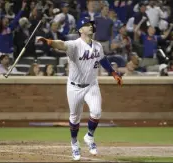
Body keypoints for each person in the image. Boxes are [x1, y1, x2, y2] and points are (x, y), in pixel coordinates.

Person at [37, 17, 122, 161]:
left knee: (96, 112)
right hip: (74, 87)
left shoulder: (97, 46)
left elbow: (102, 60)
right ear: (80, 30)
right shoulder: (74, 45)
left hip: (91, 85)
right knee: (75, 117)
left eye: (91, 25)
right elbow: (62, 44)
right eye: (87, 25)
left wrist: (113, 73)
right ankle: (74, 143)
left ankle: (89, 136)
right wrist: (50, 42)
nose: (90, 27)